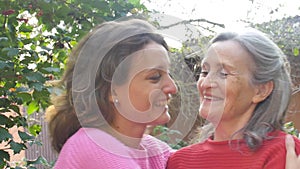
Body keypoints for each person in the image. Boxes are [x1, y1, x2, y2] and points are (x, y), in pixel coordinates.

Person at [45, 18, 177, 169]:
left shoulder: (152, 150)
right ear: (112, 91)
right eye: (155, 77)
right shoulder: (93, 145)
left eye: (169, 74)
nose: (172, 88)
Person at [166, 28, 300, 169]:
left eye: (223, 73)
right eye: (204, 72)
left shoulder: (284, 152)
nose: (205, 84)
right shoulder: (179, 161)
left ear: (261, 90)